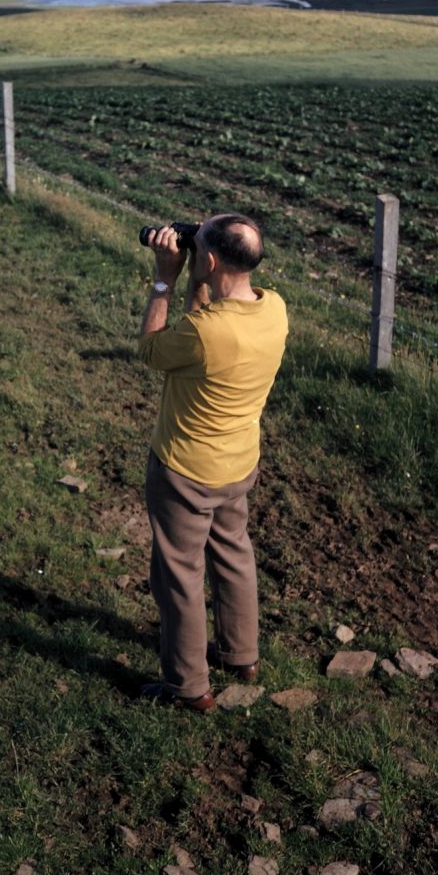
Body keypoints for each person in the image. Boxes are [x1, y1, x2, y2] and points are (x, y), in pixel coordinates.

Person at [138, 212, 288, 712]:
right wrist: (200, 276)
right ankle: (241, 655)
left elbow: (153, 349)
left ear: (211, 260)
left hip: (184, 470)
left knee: (179, 577)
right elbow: (205, 323)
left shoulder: (205, 334)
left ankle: (187, 688)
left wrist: (166, 277)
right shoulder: (275, 309)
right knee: (233, 555)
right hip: (238, 464)